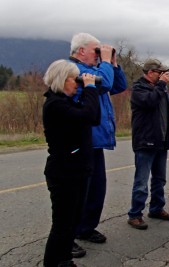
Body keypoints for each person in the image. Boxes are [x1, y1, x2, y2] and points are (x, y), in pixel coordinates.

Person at [69, 33, 127, 256]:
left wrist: (113, 63)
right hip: (81, 141)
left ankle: (86, 228)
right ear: (81, 51)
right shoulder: (72, 70)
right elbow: (103, 85)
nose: (97, 55)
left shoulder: (97, 71)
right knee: (78, 192)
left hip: (96, 141)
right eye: (95, 51)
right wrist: (103, 62)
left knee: (96, 189)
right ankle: (69, 235)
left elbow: (118, 85)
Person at [42, 60, 100, 267]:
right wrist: (90, 88)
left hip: (76, 171)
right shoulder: (55, 104)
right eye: (73, 79)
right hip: (64, 173)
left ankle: (64, 260)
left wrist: (90, 91)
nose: (77, 83)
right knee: (63, 224)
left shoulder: (66, 102)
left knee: (72, 222)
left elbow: (94, 118)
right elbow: (89, 115)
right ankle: (53, 263)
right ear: (61, 79)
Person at [128, 59, 169, 230]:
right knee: (141, 181)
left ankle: (156, 208)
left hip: (161, 140)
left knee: (159, 179)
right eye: (159, 72)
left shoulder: (160, 88)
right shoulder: (139, 88)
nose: (162, 75)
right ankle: (135, 214)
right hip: (145, 141)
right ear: (150, 72)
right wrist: (161, 85)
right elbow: (149, 102)